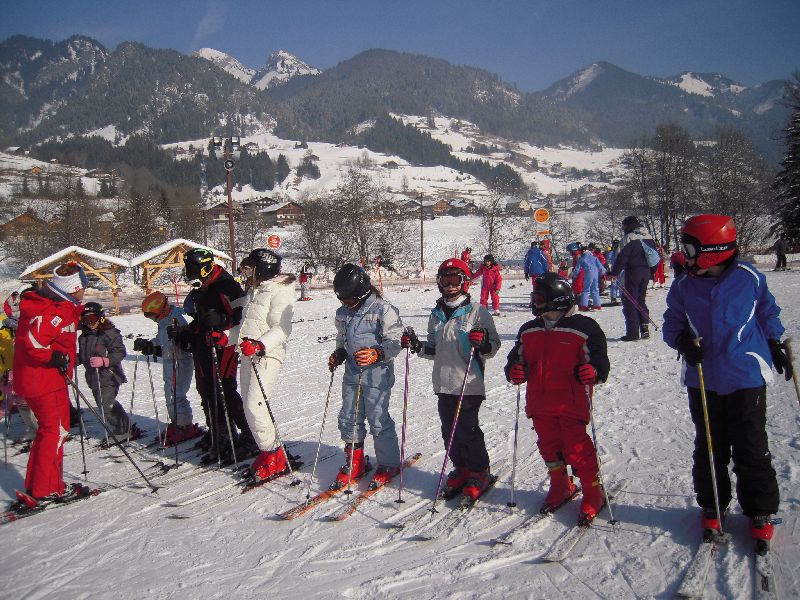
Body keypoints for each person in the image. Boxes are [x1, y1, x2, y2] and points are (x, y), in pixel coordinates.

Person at [663, 214, 789, 550]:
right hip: (703, 378)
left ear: (713, 250)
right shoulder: (684, 285)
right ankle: (712, 504)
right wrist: (681, 342)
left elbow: (767, 312)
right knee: (709, 446)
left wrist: (775, 342)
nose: (685, 256)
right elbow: (671, 322)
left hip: (746, 375)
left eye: (690, 248)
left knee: (751, 445)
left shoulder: (749, 278)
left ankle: (759, 510)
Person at [505, 273, 610, 523]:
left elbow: (599, 360)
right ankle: (560, 484)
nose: (535, 303)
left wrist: (594, 371)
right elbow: (515, 359)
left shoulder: (583, 327)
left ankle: (593, 490)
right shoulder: (529, 329)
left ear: (557, 299)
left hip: (570, 401)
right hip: (540, 403)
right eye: (534, 298)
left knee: (576, 447)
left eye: (540, 298)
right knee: (549, 445)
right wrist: (514, 371)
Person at [401, 258, 501, 501]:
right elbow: (434, 349)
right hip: (443, 384)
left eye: (455, 279)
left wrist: (483, 341)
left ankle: (479, 470)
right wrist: (417, 346)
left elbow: (493, 346)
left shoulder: (477, 312)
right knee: (449, 431)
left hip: (468, 382)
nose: (449, 285)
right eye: (445, 280)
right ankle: (462, 468)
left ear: (465, 282)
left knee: (467, 430)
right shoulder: (436, 314)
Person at [13, 262, 91, 502]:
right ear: (74, 288)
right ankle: (47, 488)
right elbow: (34, 342)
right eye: (83, 287)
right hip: (44, 381)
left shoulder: (54, 304)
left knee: (49, 432)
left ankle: (40, 484)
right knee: (55, 433)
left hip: (39, 379)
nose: (84, 291)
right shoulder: (56, 309)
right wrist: (54, 357)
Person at [170, 248, 257, 465]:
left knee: (225, 390)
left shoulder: (227, 286)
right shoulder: (203, 285)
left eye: (194, 269)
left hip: (225, 345)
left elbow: (243, 318)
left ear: (206, 266)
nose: (191, 274)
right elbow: (201, 318)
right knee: (206, 390)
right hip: (205, 344)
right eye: (188, 269)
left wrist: (221, 322)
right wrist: (188, 332)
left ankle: (248, 434)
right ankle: (220, 433)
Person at [327, 264, 403, 489]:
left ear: (361, 292)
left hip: (377, 374)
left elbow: (396, 341)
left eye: (349, 299)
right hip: (352, 372)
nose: (345, 304)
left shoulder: (382, 309)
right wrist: (340, 352)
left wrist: (377, 353)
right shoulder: (343, 312)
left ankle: (389, 463)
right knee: (349, 416)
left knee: (378, 419)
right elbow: (342, 337)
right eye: (342, 300)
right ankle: (356, 461)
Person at [232, 249, 297, 481]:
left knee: (255, 406)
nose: (247, 272)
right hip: (248, 353)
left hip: (268, 355)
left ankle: (275, 455)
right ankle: (268, 450)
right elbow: (246, 324)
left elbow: (282, 328)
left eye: (251, 268)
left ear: (264, 268)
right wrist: (227, 338)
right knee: (248, 408)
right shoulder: (255, 289)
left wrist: (260, 345)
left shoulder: (280, 291)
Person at [136, 291, 201, 446]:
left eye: (151, 315)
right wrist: (150, 345)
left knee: (177, 394)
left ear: (160, 310)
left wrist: (177, 339)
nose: (151, 319)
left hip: (180, 362)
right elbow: (162, 341)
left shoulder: (176, 320)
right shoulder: (164, 321)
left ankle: (185, 425)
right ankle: (176, 422)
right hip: (169, 361)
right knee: (169, 394)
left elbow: (185, 342)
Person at [77, 302, 139, 441]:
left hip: (109, 375)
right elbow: (84, 355)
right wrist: (73, 359)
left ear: (101, 317)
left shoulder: (109, 333)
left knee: (106, 405)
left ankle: (124, 430)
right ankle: (122, 426)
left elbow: (120, 351)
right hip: (93, 377)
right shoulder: (84, 337)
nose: (90, 323)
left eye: (93, 319)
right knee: (103, 405)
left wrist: (105, 361)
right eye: (86, 319)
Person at [611, 215, 658, 341]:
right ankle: (644, 328)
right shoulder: (648, 237)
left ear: (627, 225)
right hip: (646, 272)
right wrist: (652, 272)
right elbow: (655, 257)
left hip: (632, 272)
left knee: (630, 300)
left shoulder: (629, 238)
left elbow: (621, 258)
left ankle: (632, 333)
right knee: (640, 299)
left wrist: (613, 273)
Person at [572, 245, 605, 311]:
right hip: (596, 273)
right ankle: (597, 305)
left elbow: (577, 269)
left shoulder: (582, 258)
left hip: (588, 273)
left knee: (585, 290)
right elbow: (601, 267)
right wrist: (602, 273)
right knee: (595, 289)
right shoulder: (594, 257)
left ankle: (584, 306)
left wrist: (574, 276)